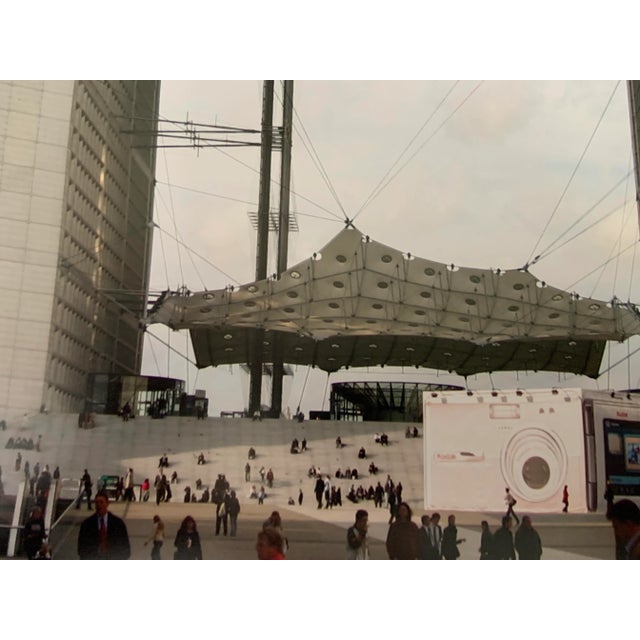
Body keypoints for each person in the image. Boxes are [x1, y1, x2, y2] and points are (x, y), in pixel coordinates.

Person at [77, 491, 131, 560]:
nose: (99, 505)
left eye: (101, 502)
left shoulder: (118, 524)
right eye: (97, 503)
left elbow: (125, 548)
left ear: (107, 503)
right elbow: (81, 549)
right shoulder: (87, 524)